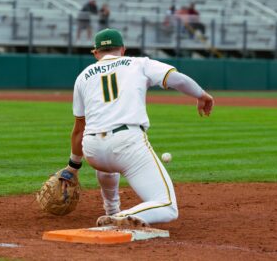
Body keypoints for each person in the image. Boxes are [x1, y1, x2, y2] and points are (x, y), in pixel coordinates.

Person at [61, 28, 214, 227]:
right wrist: (202, 95)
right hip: (127, 144)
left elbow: (79, 128)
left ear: (96, 53)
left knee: (108, 167)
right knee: (167, 207)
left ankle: (111, 209)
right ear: (123, 49)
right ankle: (121, 217)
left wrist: (73, 167)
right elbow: (178, 79)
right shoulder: (139, 63)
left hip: (93, 151)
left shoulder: (83, 77)